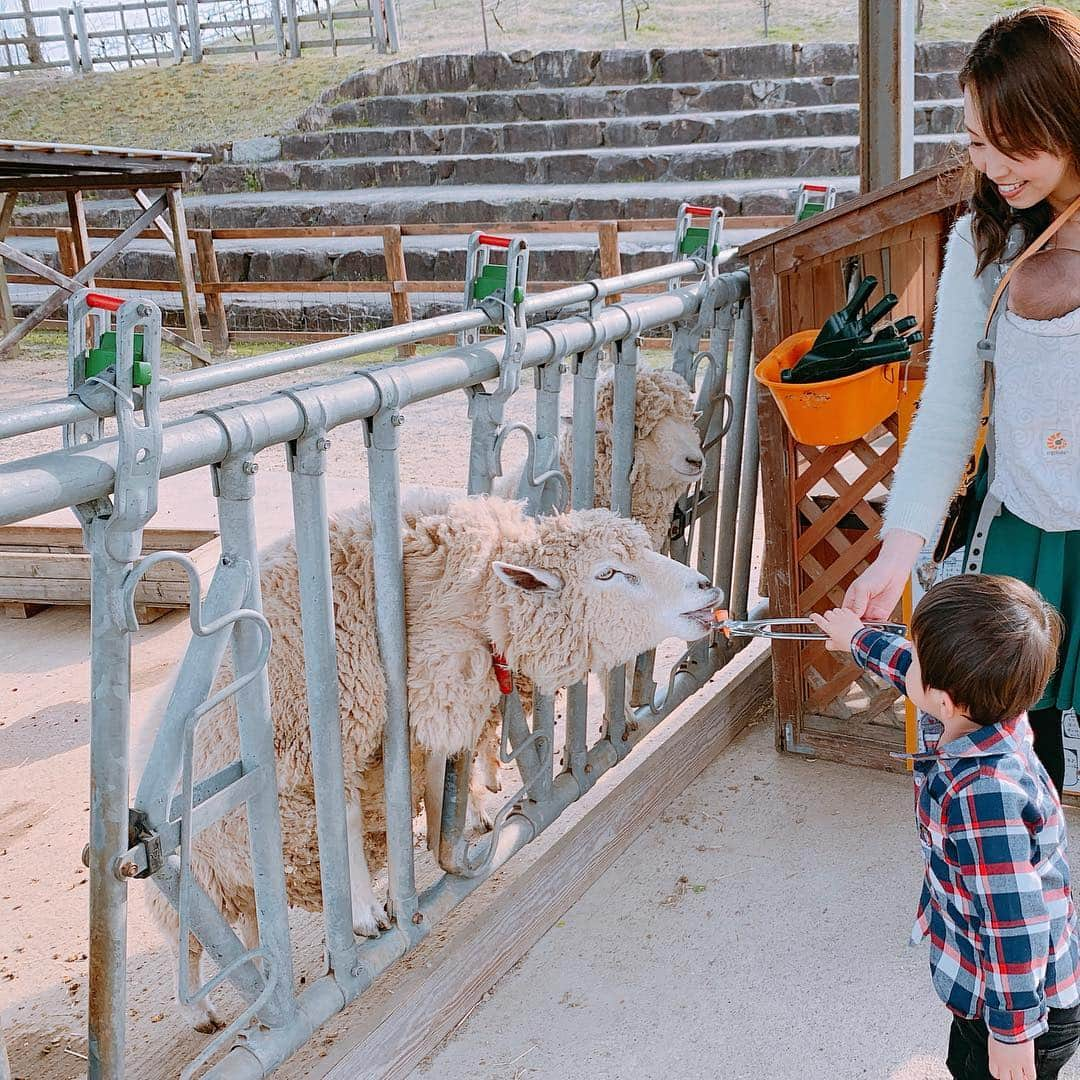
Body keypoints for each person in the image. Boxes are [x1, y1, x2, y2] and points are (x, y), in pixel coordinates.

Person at [843, 6, 1080, 795]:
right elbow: (948, 411)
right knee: (1013, 750)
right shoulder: (985, 241)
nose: (995, 169)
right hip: (1014, 532)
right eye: (979, 143)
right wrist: (897, 552)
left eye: (1016, 146)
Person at [813, 575, 1080, 1080]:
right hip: (994, 993)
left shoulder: (985, 795)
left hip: (1019, 1012)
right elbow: (914, 672)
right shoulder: (990, 705)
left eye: (917, 655)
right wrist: (855, 638)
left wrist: (1011, 1033)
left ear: (945, 697)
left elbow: (1013, 924)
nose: (906, 658)